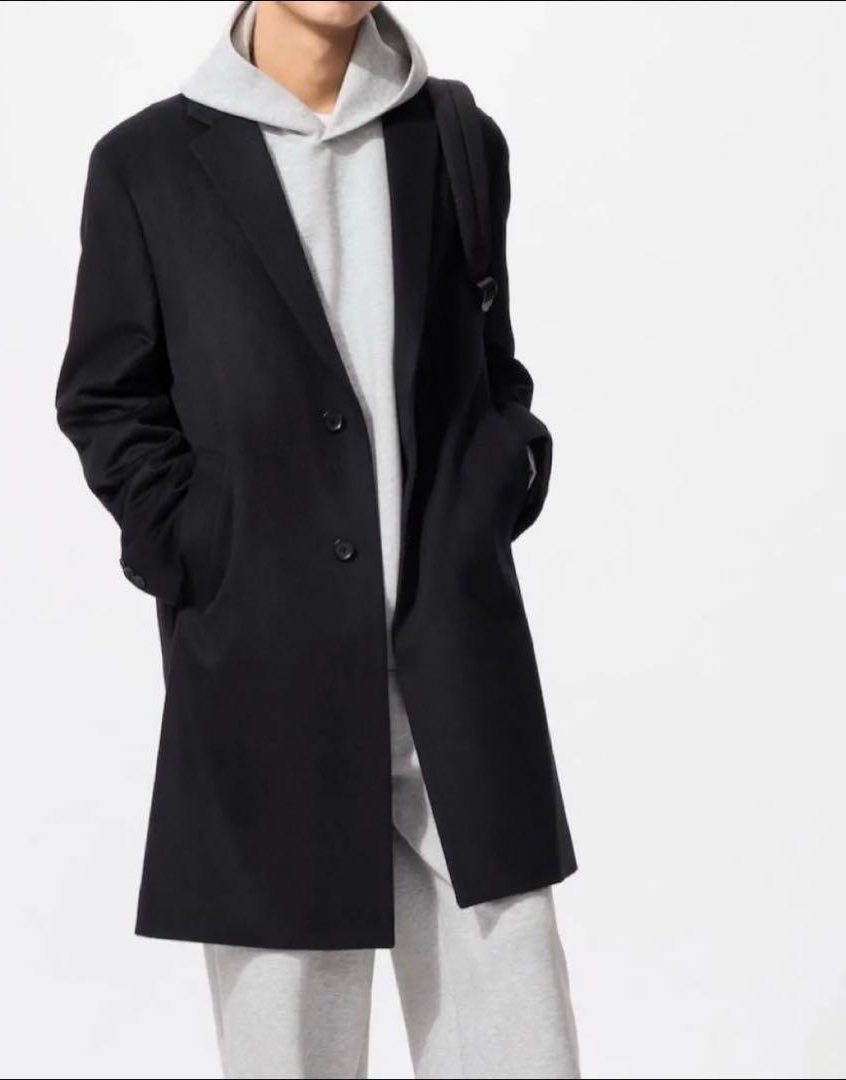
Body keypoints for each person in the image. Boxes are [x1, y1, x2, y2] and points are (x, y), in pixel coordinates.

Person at [55, 2, 580, 1076]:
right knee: (288, 1049)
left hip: (454, 663)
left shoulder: (457, 137)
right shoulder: (146, 165)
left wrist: (501, 475)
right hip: (265, 667)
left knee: (518, 1033)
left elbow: (493, 362)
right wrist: (203, 547)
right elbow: (107, 398)